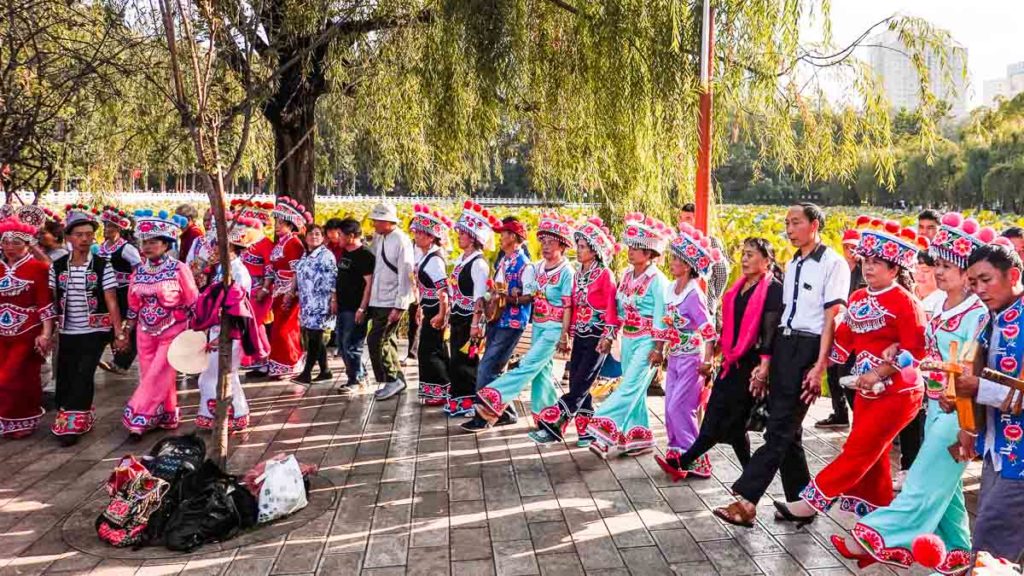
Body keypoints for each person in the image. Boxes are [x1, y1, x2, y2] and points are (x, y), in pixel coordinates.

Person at [835, 212, 991, 574]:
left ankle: (876, 534)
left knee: (921, 478)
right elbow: (926, 352)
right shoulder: (942, 305)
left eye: (948, 266)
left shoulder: (977, 314)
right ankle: (959, 556)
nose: (939, 272)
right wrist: (899, 355)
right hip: (935, 406)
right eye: (937, 264)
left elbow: (967, 371)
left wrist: (967, 426)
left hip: (958, 411)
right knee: (948, 493)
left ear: (968, 271)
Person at [772, 216, 927, 528]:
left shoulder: (906, 303)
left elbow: (916, 352)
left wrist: (881, 372)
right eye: (866, 261)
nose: (868, 268)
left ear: (895, 269)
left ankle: (812, 500)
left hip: (899, 392)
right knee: (873, 450)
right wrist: (815, 369)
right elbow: (841, 345)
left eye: (877, 263)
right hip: (864, 389)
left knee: (857, 448)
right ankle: (876, 510)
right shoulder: (857, 298)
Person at [714, 203, 850, 527]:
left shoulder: (833, 264)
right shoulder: (792, 263)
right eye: (787, 223)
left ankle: (747, 500)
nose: (789, 229)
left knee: (778, 429)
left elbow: (833, 317)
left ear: (814, 224)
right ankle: (800, 501)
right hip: (786, 345)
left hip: (809, 347)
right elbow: (782, 316)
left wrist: (820, 366)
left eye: (796, 222)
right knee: (788, 430)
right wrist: (767, 362)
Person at [668, 237, 783, 479]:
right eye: (744, 253)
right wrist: (717, 352)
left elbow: (770, 332)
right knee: (728, 421)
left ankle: (686, 461)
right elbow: (727, 327)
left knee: (728, 419)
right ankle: (748, 475)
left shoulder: (773, 289)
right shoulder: (737, 288)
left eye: (751, 254)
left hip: (751, 365)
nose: (744, 259)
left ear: (767, 260)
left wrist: (764, 367)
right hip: (731, 362)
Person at [465, 213, 575, 432]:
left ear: (562, 246)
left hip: (554, 327)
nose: (545, 245)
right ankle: (548, 418)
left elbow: (568, 306)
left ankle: (491, 400)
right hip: (539, 324)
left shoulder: (567, 272)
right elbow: (530, 294)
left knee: (526, 365)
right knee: (542, 372)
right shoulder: (537, 267)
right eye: (543, 241)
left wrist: (565, 334)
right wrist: (512, 293)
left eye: (551, 242)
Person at [952, 242, 1024, 562]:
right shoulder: (988, 319)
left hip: (1020, 458)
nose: (979, 289)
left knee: (989, 544)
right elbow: (973, 373)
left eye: (986, 280)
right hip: (997, 450)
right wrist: (965, 417)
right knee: (993, 536)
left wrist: (976, 387)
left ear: (1014, 275)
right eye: (973, 282)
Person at [586, 213, 673, 459]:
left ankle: (603, 432)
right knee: (633, 389)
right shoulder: (626, 275)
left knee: (628, 386)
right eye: (631, 247)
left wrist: (659, 348)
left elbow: (661, 316)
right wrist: (610, 335)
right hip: (628, 338)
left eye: (637, 248)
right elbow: (618, 310)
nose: (631, 251)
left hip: (647, 341)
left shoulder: (658, 281)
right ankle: (638, 437)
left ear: (649, 254)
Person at [530, 217, 619, 447]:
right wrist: (567, 334)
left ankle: (554, 423)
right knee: (579, 383)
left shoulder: (605, 275)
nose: (578, 251)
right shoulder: (579, 274)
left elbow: (611, 309)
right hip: (580, 334)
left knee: (582, 381)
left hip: (597, 335)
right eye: (578, 246)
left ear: (595, 250)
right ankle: (586, 432)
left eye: (582, 247)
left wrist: (608, 336)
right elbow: (573, 306)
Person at [51, 205, 127, 444]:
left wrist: (118, 333)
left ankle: (73, 424)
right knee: (67, 374)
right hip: (67, 330)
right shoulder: (58, 266)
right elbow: (52, 300)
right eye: (79, 235)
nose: (85, 239)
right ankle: (75, 413)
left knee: (84, 372)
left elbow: (111, 300)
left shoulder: (103, 265)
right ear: (69, 238)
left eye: (89, 234)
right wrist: (50, 331)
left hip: (95, 330)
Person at [123, 210, 199, 437]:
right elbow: (133, 304)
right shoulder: (138, 271)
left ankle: (138, 416)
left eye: (153, 242)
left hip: (173, 329)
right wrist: (125, 331)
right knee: (149, 374)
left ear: (166, 245)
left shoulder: (179, 269)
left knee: (159, 373)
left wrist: (200, 331)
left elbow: (193, 300)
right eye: (144, 242)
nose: (147, 246)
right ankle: (166, 414)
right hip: (145, 330)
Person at [193, 215, 264, 433]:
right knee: (219, 376)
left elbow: (234, 309)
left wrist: (218, 333)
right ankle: (231, 415)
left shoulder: (238, 273)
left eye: (217, 245)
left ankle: (226, 416)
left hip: (227, 332)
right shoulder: (223, 270)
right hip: (217, 330)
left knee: (216, 376)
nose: (213, 249)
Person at [0, 216, 53, 438]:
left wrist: (46, 333)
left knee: (12, 377)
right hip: (2, 333)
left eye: (16, 242)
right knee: (16, 378)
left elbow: (45, 305)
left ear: (27, 244)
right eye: (6, 242)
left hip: (27, 332)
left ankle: (23, 418)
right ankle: (14, 422)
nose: (10, 247)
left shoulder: (38, 268)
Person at [445, 201, 498, 416]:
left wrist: (476, 324)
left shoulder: (478, 264)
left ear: (473, 238)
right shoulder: (461, 260)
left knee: (467, 360)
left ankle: (471, 401)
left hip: (469, 318)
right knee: (456, 359)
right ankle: (460, 399)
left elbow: (478, 298)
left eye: (463, 234)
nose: (459, 237)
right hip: (458, 315)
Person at [476, 216, 533, 394]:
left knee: (487, 368)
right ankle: (502, 411)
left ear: (514, 237)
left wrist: (509, 298)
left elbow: (530, 296)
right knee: (493, 369)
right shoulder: (503, 262)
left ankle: (485, 411)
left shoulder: (525, 265)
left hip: (512, 323)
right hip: (498, 319)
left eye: (504, 234)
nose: (500, 238)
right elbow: (496, 288)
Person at [258, 197, 312, 379]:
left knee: (285, 329)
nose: (277, 225)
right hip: (278, 291)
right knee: (278, 329)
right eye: (277, 222)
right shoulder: (281, 242)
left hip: (289, 292)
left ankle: (291, 362)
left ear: (291, 226)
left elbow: (297, 271)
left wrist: (290, 292)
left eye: (281, 223)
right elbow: (272, 266)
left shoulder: (294, 243)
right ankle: (281, 363)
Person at [366, 202, 415, 400]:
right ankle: (396, 379)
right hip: (379, 297)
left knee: (378, 340)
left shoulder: (401, 241)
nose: (374, 224)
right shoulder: (380, 237)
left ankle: (392, 378)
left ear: (387, 221)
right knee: (388, 340)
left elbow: (406, 274)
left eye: (377, 220)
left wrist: (400, 304)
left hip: (392, 299)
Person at [817, 229, 865, 429]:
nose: (850, 251)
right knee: (833, 372)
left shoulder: (865, 269)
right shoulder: (837, 268)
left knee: (848, 373)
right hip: (835, 326)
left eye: (854, 247)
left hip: (857, 330)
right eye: (847, 246)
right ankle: (840, 412)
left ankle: (859, 417)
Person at [408, 204, 452, 405]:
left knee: (430, 350)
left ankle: (441, 390)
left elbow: (443, 291)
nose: (416, 236)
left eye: (420, 233)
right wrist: (420, 307)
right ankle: (438, 389)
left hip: (436, 308)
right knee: (431, 349)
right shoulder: (425, 255)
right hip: (428, 306)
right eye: (416, 233)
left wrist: (442, 314)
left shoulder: (435, 260)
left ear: (431, 237)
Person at [96, 206, 141, 375]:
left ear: (119, 229)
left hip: (123, 293)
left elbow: (139, 269)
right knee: (107, 325)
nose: (107, 230)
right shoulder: (103, 247)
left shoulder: (127, 248)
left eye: (111, 227)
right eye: (106, 226)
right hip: (106, 292)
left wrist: (135, 288)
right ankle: (112, 358)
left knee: (128, 325)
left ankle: (122, 362)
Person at [231, 199, 275, 370]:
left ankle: (260, 356)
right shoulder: (245, 244)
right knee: (253, 323)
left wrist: (264, 288)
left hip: (260, 289)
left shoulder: (266, 244)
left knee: (253, 322)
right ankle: (258, 356)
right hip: (245, 288)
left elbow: (270, 269)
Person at [292, 223, 337, 384]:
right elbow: (298, 274)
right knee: (313, 335)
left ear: (323, 237)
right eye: (311, 234)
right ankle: (325, 370)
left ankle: (307, 372)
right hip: (307, 301)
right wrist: (292, 291)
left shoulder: (326, 255)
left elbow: (333, 279)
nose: (314, 237)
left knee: (315, 337)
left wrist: (333, 299)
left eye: (318, 234)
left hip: (321, 302)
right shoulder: (306, 255)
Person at [333, 218, 374, 392]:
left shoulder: (365, 255)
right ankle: (359, 375)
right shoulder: (345, 253)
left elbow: (369, 284)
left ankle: (356, 381)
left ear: (351, 236)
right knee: (342, 345)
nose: (337, 237)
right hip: (343, 307)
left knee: (351, 345)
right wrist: (334, 299)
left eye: (340, 234)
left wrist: (362, 308)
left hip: (355, 308)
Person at [679, 203, 730, 325]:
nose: (684, 223)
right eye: (682, 218)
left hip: (704, 304)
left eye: (689, 219)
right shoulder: (681, 241)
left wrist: (712, 297)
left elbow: (722, 274)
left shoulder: (710, 241)